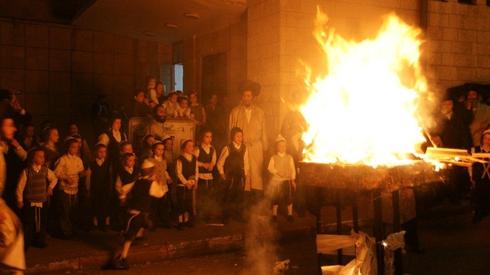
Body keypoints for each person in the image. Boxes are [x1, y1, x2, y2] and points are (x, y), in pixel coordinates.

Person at [109, 159, 166, 270]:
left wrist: (122, 198)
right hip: (138, 215)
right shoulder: (151, 184)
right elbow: (160, 193)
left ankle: (123, 256)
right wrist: (160, 183)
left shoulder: (136, 182)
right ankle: (120, 259)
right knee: (127, 238)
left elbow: (123, 189)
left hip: (131, 213)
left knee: (130, 235)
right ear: (151, 172)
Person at [229, 80, 267, 203]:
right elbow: (231, 131)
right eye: (244, 96)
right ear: (242, 97)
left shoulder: (260, 113)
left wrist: (265, 148)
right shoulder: (235, 112)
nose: (247, 98)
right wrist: (231, 148)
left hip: (256, 147)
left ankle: (256, 203)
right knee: (243, 174)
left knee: (256, 176)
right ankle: (242, 203)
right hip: (241, 147)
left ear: (253, 97)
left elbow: (264, 132)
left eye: (249, 96)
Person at [16, 148, 57, 248]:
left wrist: (50, 188)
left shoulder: (45, 170)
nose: (42, 159)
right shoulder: (27, 172)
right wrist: (20, 200)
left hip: (42, 201)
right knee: (29, 223)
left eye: (43, 157)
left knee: (42, 222)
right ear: (33, 158)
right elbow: (20, 187)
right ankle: (27, 242)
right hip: (30, 201)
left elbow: (54, 178)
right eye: (39, 156)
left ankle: (40, 241)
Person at [0, 119, 25, 273]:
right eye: (9, 125)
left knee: (13, 234)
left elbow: (25, 157)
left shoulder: (5, 148)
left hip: (4, 199)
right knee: (11, 236)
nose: (14, 128)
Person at [54, 138, 86, 238]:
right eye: (73, 147)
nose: (75, 149)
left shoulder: (78, 160)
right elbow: (56, 172)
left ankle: (73, 230)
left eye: (77, 147)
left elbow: (80, 172)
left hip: (75, 188)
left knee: (73, 210)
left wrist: (84, 174)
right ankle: (65, 231)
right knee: (65, 210)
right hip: (65, 188)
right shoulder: (63, 159)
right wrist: (65, 178)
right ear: (68, 147)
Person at [217, 127, 249, 223]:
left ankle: (238, 215)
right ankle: (225, 217)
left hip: (240, 176)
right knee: (228, 196)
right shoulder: (228, 148)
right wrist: (222, 173)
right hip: (229, 176)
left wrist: (246, 173)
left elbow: (246, 162)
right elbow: (220, 162)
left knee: (239, 196)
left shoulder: (244, 148)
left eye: (241, 136)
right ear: (232, 137)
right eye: (237, 136)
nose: (240, 138)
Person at [0, 118, 28, 210]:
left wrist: (18, 148)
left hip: (13, 195)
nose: (14, 129)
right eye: (9, 125)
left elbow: (27, 162)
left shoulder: (13, 147)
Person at [267, 135, 296, 223]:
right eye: (280, 146)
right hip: (277, 181)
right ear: (277, 147)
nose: (282, 147)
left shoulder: (289, 157)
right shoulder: (273, 157)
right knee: (275, 198)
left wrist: (293, 179)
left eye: (284, 146)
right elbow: (270, 168)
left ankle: (290, 214)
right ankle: (274, 215)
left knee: (289, 197)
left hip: (287, 181)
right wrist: (278, 172)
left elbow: (292, 169)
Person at [86, 144, 112, 231]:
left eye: (104, 152)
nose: (102, 154)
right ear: (96, 152)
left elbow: (109, 176)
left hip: (105, 188)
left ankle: (104, 222)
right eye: (100, 152)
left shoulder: (107, 164)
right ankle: (95, 222)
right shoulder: (92, 164)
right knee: (95, 204)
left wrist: (109, 187)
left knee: (105, 204)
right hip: (95, 187)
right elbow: (89, 177)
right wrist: (88, 188)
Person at [146, 141, 172, 228]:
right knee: (154, 205)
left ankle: (164, 221)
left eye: (162, 149)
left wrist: (168, 177)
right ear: (153, 150)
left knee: (163, 204)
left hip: (163, 185)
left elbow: (164, 171)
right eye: (158, 149)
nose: (161, 151)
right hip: (154, 185)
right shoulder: (149, 160)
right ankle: (153, 223)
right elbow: (147, 173)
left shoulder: (164, 161)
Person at [175, 140, 198, 229]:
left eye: (192, 146)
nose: (191, 148)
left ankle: (187, 220)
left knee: (189, 203)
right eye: (189, 146)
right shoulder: (180, 159)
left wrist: (195, 181)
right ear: (184, 148)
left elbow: (196, 171)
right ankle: (180, 222)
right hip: (182, 185)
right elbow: (179, 173)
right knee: (182, 203)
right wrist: (186, 183)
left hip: (191, 184)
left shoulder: (194, 158)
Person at [194, 129, 216, 221]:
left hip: (209, 176)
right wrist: (203, 164)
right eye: (207, 136)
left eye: (210, 137)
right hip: (200, 176)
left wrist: (211, 165)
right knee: (201, 195)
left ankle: (208, 213)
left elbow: (214, 160)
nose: (209, 139)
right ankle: (200, 214)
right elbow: (193, 161)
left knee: (209, 195)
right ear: (202, 138)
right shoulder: (198, 148)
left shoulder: (212, 149)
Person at [470, 129, 490, 223]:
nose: (488, 141)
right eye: (486, 138)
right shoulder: (475, 149)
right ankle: (478, 214)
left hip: (489, 178)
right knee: (478, 196)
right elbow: (470, 164)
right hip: (479, 177)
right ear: (482, 139)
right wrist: (471, 176)